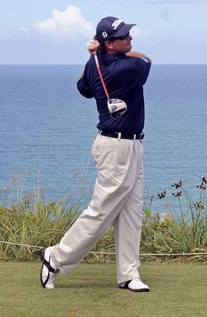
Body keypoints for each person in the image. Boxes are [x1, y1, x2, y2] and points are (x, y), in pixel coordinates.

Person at [40, 16, 152, 292]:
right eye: (124, 37)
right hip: (116, 148)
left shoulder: (96, 65)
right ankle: (55, 257)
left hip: (130, 144)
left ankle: (128, 274)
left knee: (131, 211)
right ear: (110, 44)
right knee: (102, 210)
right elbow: (147, 60)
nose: (130, 40)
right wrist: (99, 52)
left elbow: (84, 86)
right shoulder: (128, 67)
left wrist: (95, 54)